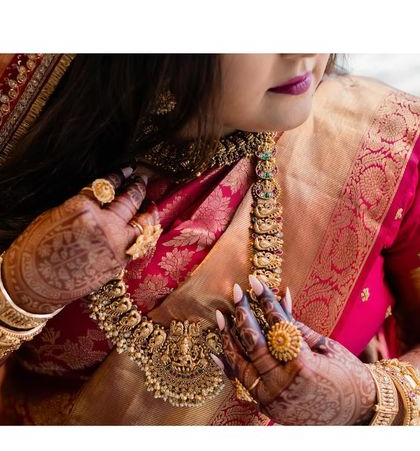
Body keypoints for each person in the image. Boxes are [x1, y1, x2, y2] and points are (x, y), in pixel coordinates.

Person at [0, 53, 419, 425]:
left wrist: (368, 400)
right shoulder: (26, 125)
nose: (305, 49)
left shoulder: (388, 148)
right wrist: (20, 291)